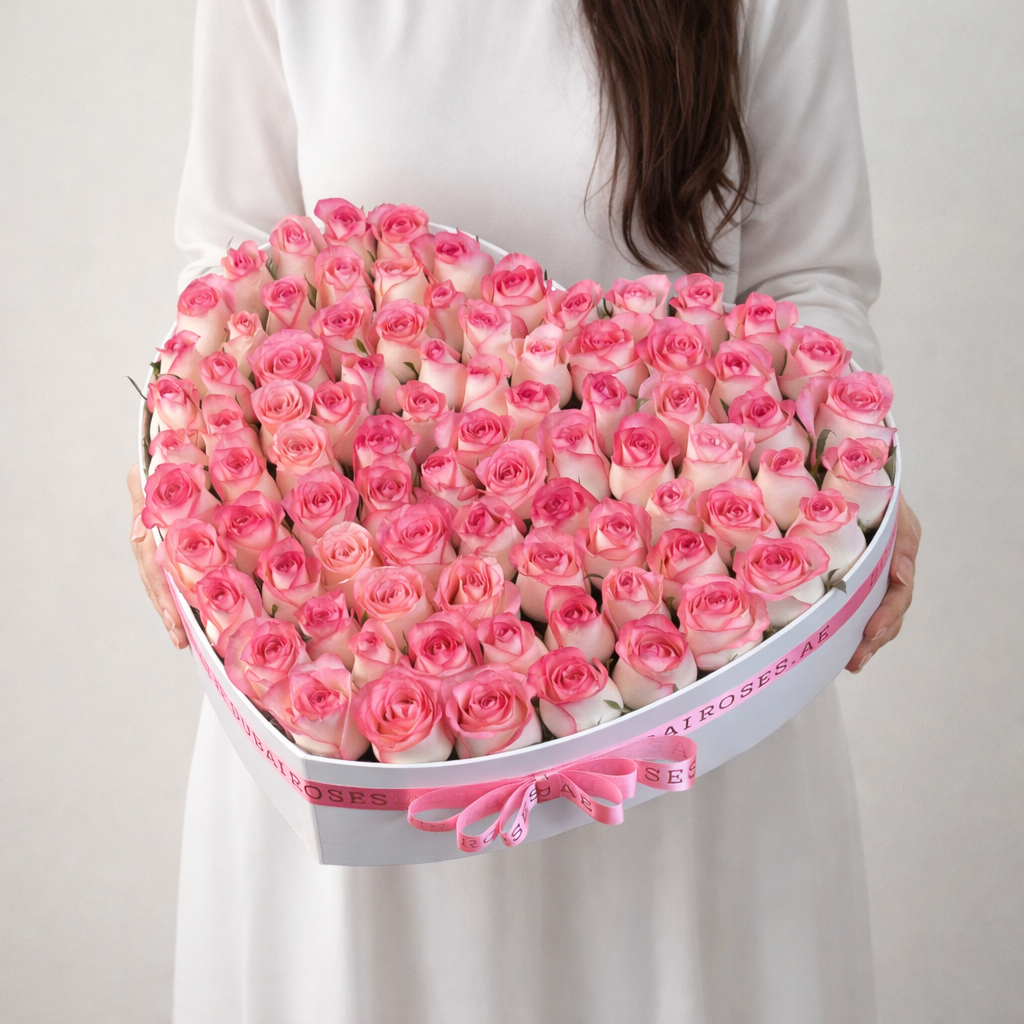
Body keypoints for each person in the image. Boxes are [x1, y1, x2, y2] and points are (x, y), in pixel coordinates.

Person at [127, 1, 922, 1020]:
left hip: (682, 699)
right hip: (357, 698)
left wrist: (847, 485)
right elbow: (231, 258)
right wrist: (183, 455)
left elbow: (811, 274)